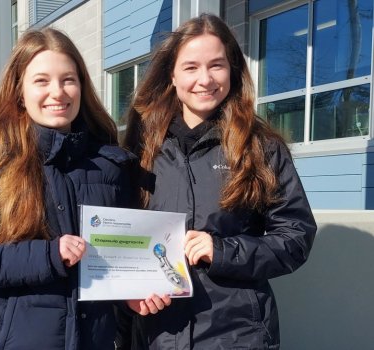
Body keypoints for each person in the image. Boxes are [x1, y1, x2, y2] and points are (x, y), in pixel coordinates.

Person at [121, 13, 317, 349]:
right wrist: (127, 290)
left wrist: (223, 250)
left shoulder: (260, 147)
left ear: (233, 71)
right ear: (172, 74)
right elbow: (120, 231)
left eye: (216, 65)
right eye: (191, 67)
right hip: (160, 333)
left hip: (238, 334)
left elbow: (296, 236)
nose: (205, 79)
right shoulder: (141, 148)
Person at [0, 27, 137, 350]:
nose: (57, 92)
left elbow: (123, 259)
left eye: (68, 79)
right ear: (19, 91)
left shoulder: (110, 165)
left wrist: (134, 292)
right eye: (41, 81)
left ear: (82, 86)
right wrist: (48, 255)